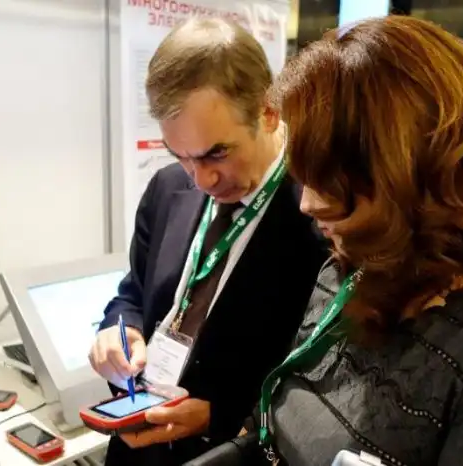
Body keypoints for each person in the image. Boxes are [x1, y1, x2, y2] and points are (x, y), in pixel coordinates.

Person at [247, 16, 463, 466]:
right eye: (304, 178)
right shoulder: (352, 267)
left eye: (331, 180)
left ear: (426, 170)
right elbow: (274, 430)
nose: (308, 204)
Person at [88, 18, 326, 466]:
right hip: (137, 448)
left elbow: (320, 385)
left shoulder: (319, 215)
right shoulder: (166, 188)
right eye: (181, 156)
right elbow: (134, 293)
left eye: (217, 153)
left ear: (268, 111)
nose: (202, 179)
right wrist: (119, 330)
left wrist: (221, 416)